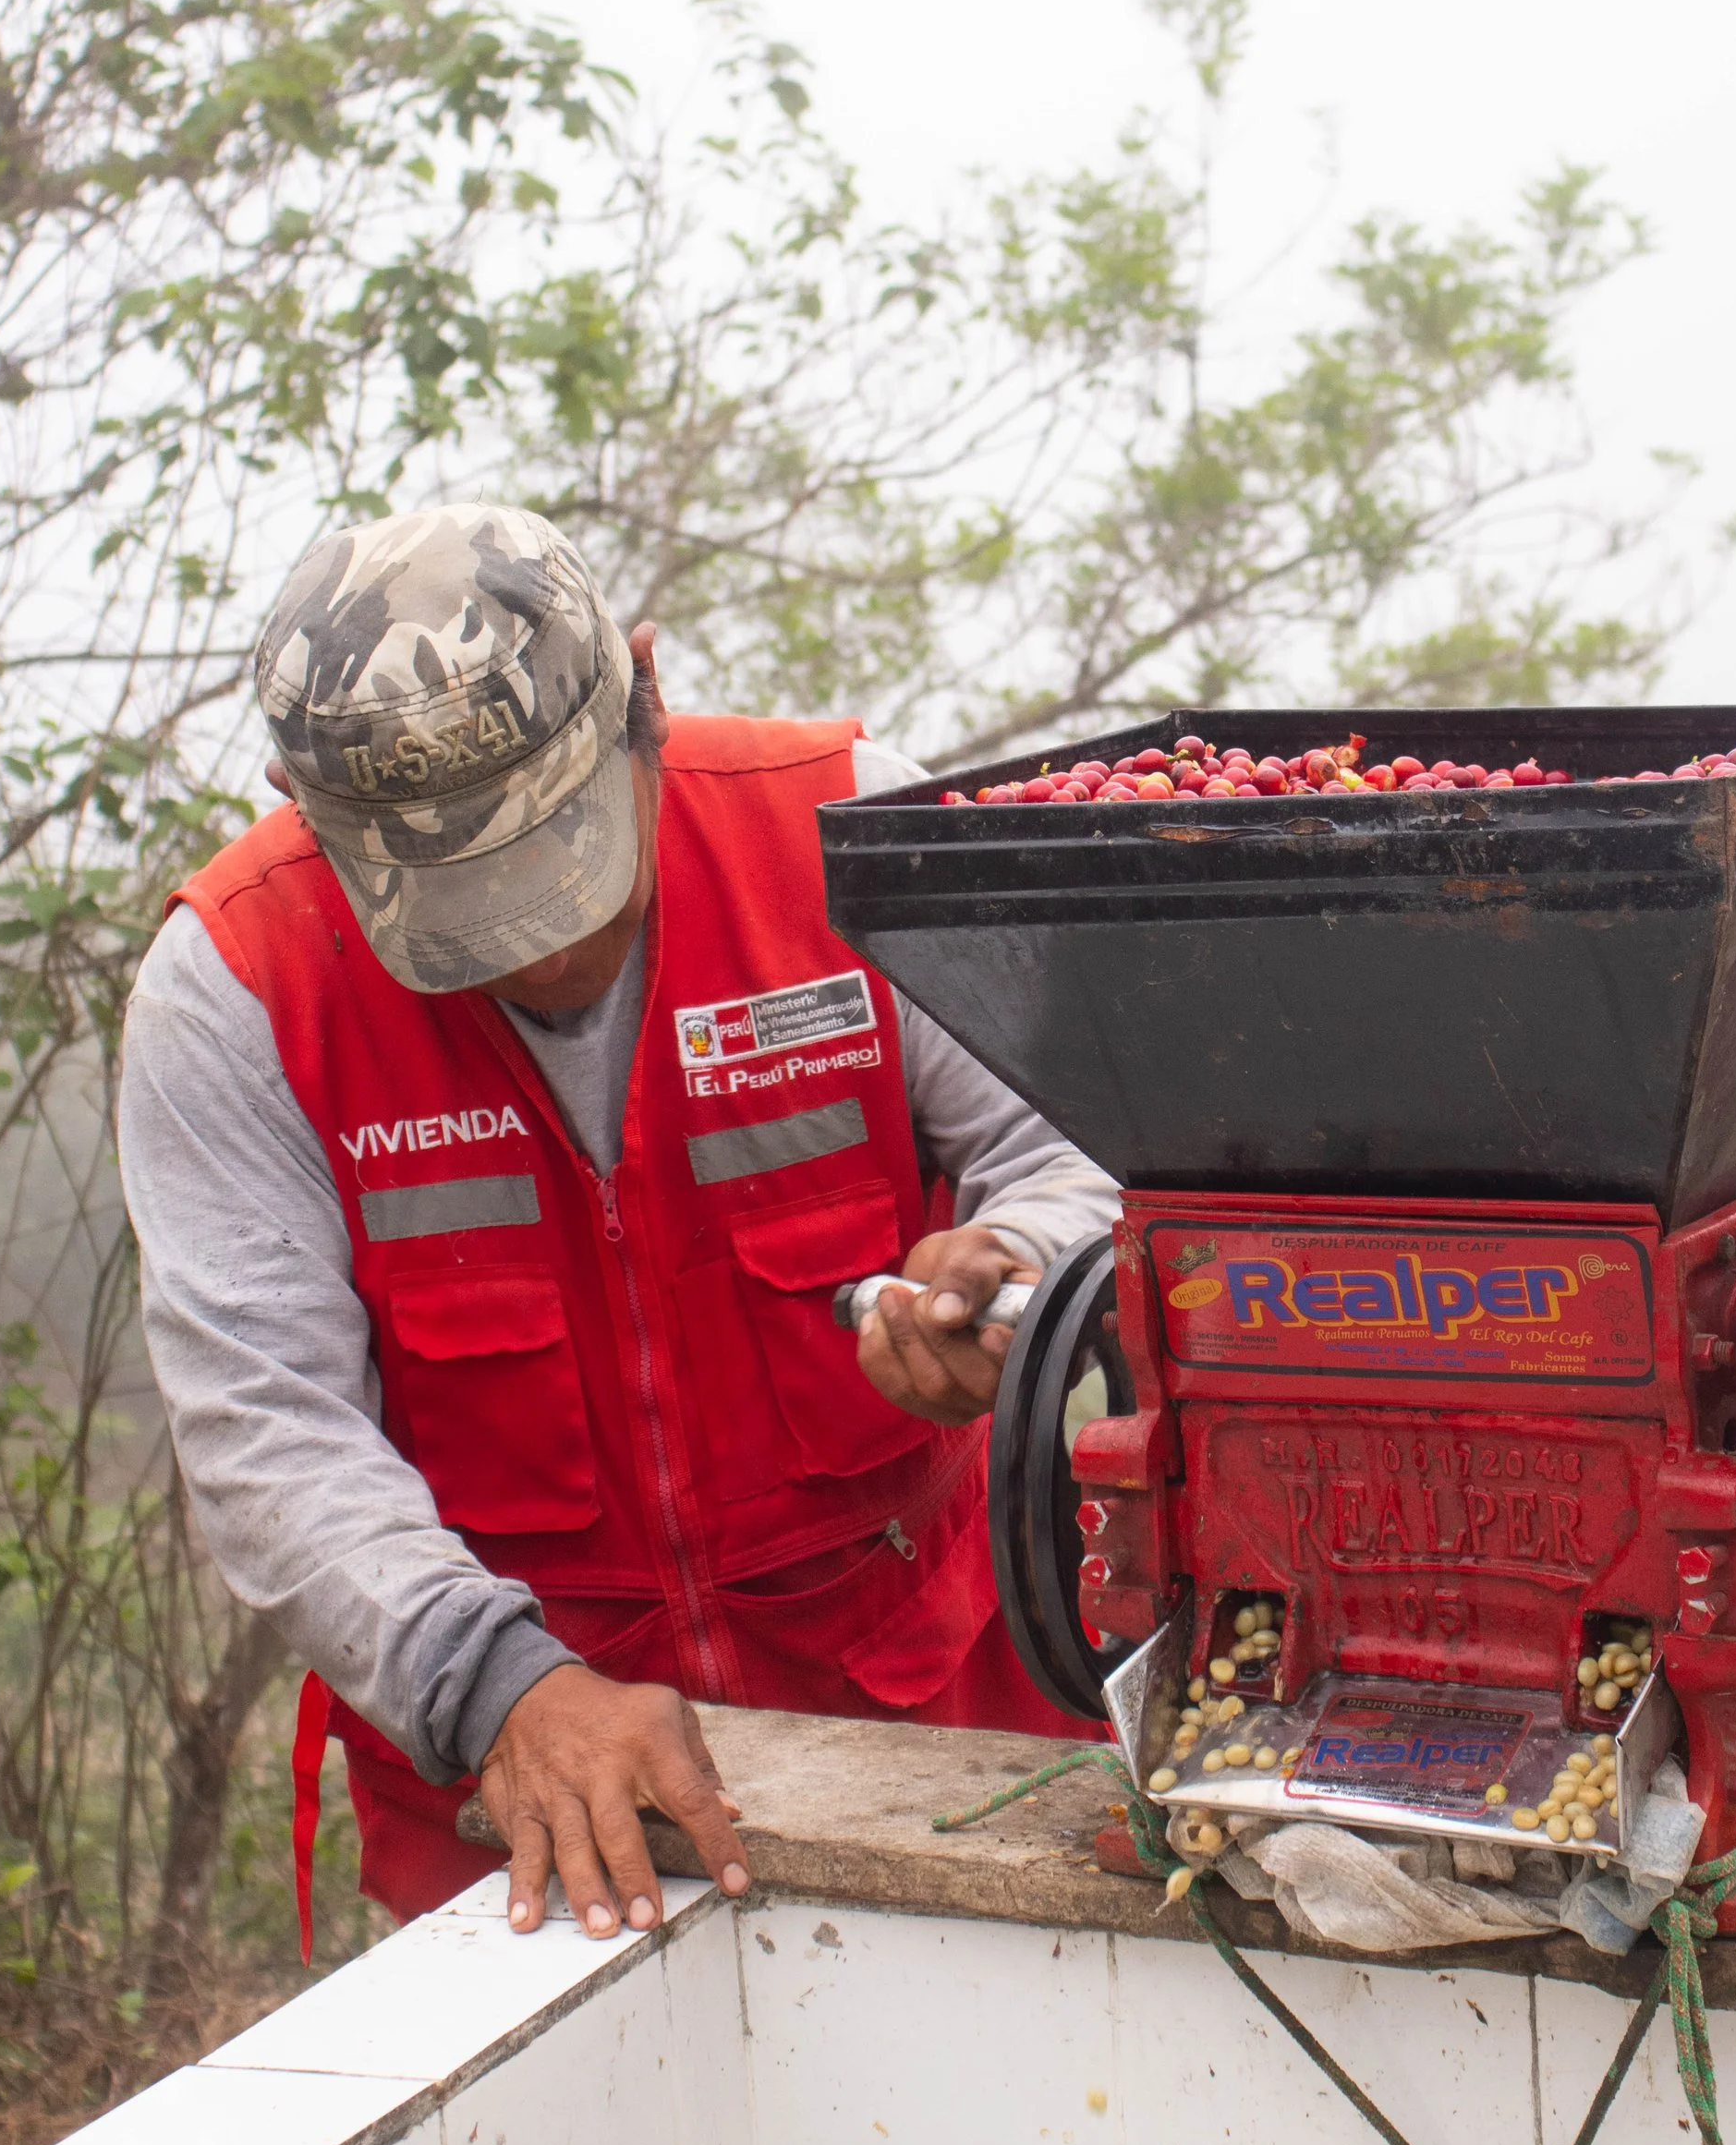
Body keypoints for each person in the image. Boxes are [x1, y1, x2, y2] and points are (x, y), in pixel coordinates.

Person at [117, 502, 1114, 1947]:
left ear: (643, 690)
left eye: (563, 862)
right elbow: (269, 1433)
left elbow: (1081, 1149)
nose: (539, 943)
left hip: (935, 1732)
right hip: (517, 1802)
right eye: (464, 909)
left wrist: (1021, 1278)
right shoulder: (237, 991)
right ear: (302, 804)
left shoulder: (846, 836)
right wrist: (497, 1683)